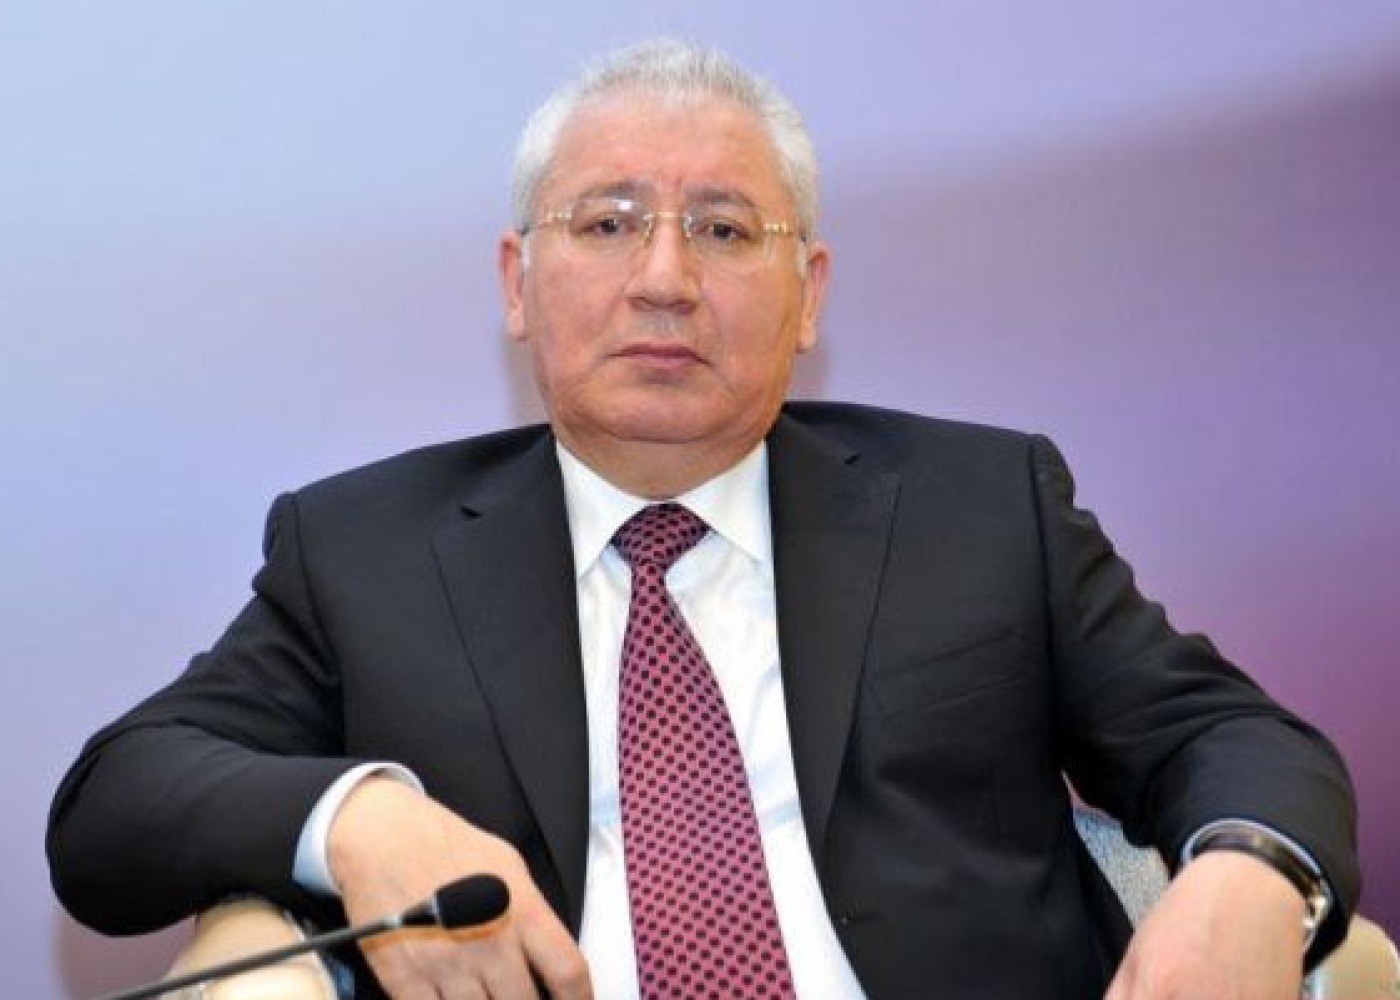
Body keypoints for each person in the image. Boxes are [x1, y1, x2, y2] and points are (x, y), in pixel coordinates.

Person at [48, 39, 1359, 1000]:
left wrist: (1250, 872)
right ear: (517, 282)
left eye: (726, 231)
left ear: (808, 292)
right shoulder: (365, 550)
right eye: (607, 222)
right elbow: (114, 806)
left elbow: (1228, 735)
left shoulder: (981, 507)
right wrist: (362, 818)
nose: (665, 279)